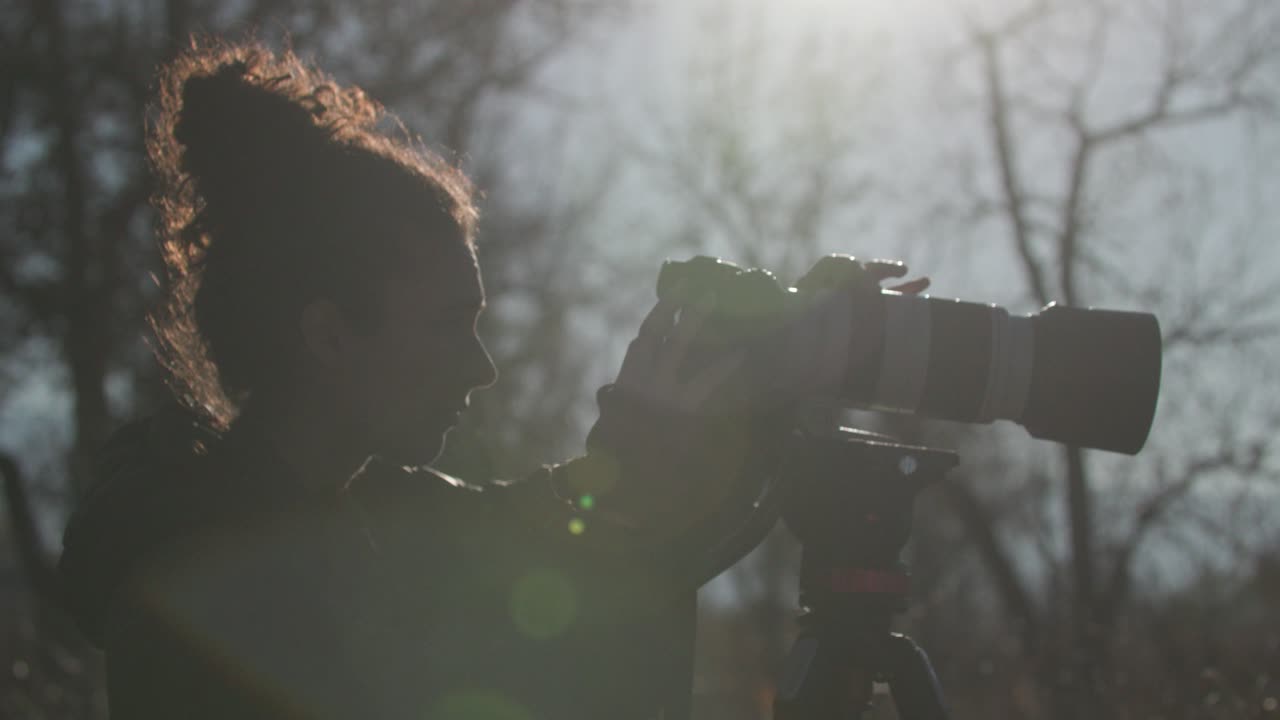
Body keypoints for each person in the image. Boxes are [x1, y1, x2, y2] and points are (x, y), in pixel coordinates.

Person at [58, 39, 923, 719]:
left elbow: (554, 524)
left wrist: (777, 354)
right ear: (328, 334)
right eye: (448, 325)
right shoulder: (208, 597)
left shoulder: (365, 519)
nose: (482, 368)